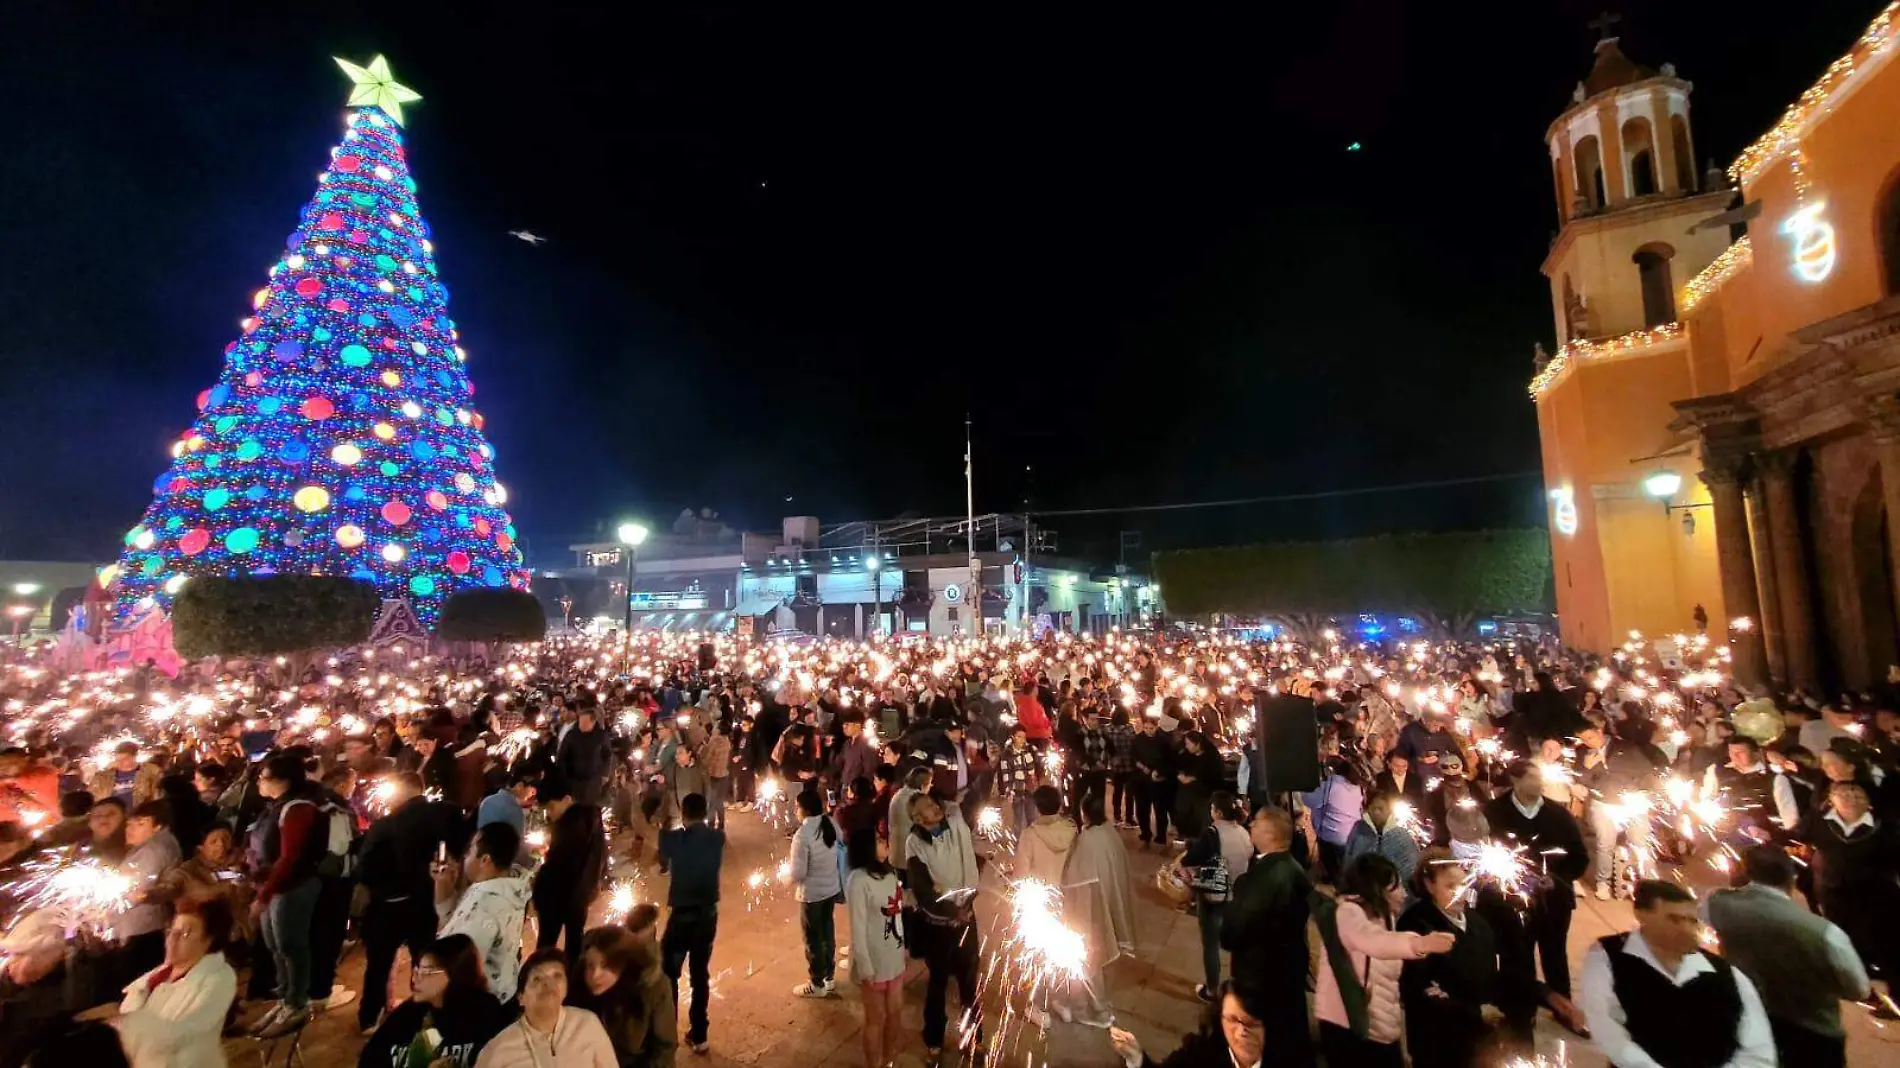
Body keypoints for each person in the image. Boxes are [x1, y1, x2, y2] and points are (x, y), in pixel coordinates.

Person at [1579, 880, 1776, 1068]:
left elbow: (1758, 1049)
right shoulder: (1608, 957)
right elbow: (1608, 1031)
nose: (1686, 929)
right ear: (1641, 914)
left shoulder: (1727, 974)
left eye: (1692, 921)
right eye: (1674, 919)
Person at [1705, 847, 1869, 1068]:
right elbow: (1859, 990)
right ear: (1792, 878)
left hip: (1752, 1020)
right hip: (1815, 1034)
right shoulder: (1826, 933)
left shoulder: (1714, 903)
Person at [1312, 854, 1454, 1068]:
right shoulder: (1347, 913)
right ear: (1377, 888)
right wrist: (1419, 944)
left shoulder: (1386, 917)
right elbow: (1373, 941)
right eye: (1396, 887)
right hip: (1350, 1028)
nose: (1404, 894)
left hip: (1380, 1027)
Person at [356, 771, 462, 1032]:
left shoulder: (385, 824)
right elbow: (458, 849)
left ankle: (370, 1016)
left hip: (385, 905)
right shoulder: (444, 814)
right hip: (424, 901)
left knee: (379, 964)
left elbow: (365, 869)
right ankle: (425, 1013)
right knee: (424, 960)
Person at [1483, 760, 1587, 1005]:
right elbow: (1483, 852)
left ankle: (1562, 1005)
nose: (1540, 783)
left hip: (1554, 901)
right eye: (1532, 777)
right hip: (1512, 901)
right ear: (1515, 780)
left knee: (1555, 955)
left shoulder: (1558, 814)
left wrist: (1557, 879)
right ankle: (1521, 1006)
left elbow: (1579, 856)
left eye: (1540, 777)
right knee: (1517, 955)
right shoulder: (1494, 812)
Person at [1220, 806, 1312, 1068]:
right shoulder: (1291, 868)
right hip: (1286, 973)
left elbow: (1237, 927)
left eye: (1256, 822)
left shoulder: (1265, 878)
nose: (1251, 825)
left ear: (1270, 833)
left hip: (1262, 976)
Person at [246, 753, 325, 1039]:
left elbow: (289, 857)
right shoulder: (274, 807)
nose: (259, 781)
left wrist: (264, 893)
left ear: (281, 780)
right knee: (275, 946)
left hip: (292, 887)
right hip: (272, 887)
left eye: (263, 776)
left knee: (291, 945)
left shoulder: (297, 808)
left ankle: (297, 1002)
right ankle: (284, 999)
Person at [111, 898, 237, 1068]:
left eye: (185, 933)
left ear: (209, 941)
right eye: (171, 931)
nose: (172, 939)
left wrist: (117, 1028)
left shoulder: (219, 978)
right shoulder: (155, 977)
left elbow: (181, 1032)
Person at [905, 792, 980, 1067]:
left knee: (969, 982)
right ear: (918, 819)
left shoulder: (956, 824)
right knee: (937, 984)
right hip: (938, 927)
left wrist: (966, 905)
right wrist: (951, 912)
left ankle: (975, 1035)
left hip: (966, 919)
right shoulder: (914, 844)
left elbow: (974, 796)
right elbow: (924, 891)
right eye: (928, 809)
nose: (935, 809)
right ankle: (934, 1041)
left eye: (934, 805)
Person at [358, 934, 508, 1068]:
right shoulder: (407, 1016)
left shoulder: (487, 1016)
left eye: (427, 972)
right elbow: (370, 1060)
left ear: (456, 973)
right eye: (417, 970)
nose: (415, 979)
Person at [437, 822, 532, 1003]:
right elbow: (450, 919)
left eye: (470, 851)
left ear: (485, 860)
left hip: (478, 1004)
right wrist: (443, 883)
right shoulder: (508, 888)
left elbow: (455, 959)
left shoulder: (486, 905)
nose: (464, 857)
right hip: (503, 993)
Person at [1063, 792, 1136, 1027]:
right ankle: (1096, 1006)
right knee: (1095, 958)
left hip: (1090, 909)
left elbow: (1075, 879)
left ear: (1084, 813)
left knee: (1086, 959)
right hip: (1106, 901)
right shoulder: (1109, 833)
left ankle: (1088, 1009)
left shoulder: (1087, 839)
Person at [658, 793, 723, 1055]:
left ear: (683, 814)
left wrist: (664, 821)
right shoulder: (717, 838)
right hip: (707, 916)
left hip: (682, 918)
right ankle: (700, 1034)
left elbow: (660, 850)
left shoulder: (675, 839)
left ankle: (666, 1031)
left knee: (668, 973)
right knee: (700, 974)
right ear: (705, 812)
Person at [474, 950, 617, 1068]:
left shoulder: (587, 1024)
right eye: (537, 979)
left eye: (557, 976)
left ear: (566, 989)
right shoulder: (497, 1050)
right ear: (521, 997)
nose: (548, 983)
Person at [1176, 790, 1251, 1000]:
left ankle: (1212, 989)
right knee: (1235, 945)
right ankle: (1237, 986)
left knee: (1210, 945)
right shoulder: (1243, 833)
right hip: (1236, 897)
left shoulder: (1212, 834)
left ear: (1217, 812)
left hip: (1214, 896)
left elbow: (1189, 860)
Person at [573, 926, 677, 1068]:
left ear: (624, 963)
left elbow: (664, 1048)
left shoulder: (652, 988)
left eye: (605, 965)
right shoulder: (578, 985)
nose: (595, 975)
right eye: (590, 965)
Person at [845, 829, 906, 1068]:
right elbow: (857, 928)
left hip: (894, 956)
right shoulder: (858, 880)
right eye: (879, 841)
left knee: (896, 1013)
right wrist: (865, 966)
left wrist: (903, 946)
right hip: (873, 960)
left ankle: (889, 1059)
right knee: (875, 1019)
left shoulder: (890, 874)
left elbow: (896, 913)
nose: (885, 843)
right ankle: (874, 1064)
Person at [1107, 979, 1265, 1068]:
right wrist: (1137, 1059)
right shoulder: (1202, 1052)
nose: (1240, 1032)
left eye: (1251, 1023)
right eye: (1232, 1020)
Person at [535, 778, 607, 969]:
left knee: (546, 945)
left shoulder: (569, 826)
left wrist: (537, 888)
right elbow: (601, 857)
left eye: (551, 807)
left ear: (567, 799)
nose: (549, 814)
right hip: (580, 897)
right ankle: (571, 982)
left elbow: (556, 866)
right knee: (574, 944)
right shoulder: (593, 819)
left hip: (557, 898)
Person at [114, 799, 183, 983]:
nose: (131, 829)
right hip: (144, 925)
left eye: (141, 824)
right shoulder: (154, 846)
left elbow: (137, 889)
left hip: (141, 926)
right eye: (129, 824)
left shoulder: (153, 850)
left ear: (157, 826)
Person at [789, 788, 844, 998]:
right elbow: (841, 839)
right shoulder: (829, 823)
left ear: (805, 809)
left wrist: (788, 878)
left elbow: (799, 872)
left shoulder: (802, 835)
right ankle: (829, 977)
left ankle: (816, 983)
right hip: (830, 889)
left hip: (811, 895)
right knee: (827, 932)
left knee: (813, 938)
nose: (795, 810)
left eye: (797, 807)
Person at [1302, 759, 1364, 883]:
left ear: (1330, 770)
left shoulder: (1331, 786)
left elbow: (1308, 800)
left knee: (1333, 875)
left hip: (1332, 838)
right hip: (1352, 837)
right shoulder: (1356, 786)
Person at [1341, 791, 1420, 888]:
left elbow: (1410, 868)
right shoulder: (1359, 829)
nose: (1376, 813)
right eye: (1373, 808)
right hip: (1363, 889)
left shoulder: (1401, 836)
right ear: (1368, 809)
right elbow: (1349, 859)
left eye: (1381, 809)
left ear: (1389, 810)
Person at [1016, 784, 1075, 886]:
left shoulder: (1029, 835)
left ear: (1037, 809)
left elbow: (1021, 874)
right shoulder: (1072, 830)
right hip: (1068, 894)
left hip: (1040, 895)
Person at [1129, 715, 1173, 849]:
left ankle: (1161, 838)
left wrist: (1158, 772)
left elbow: (1169, 761)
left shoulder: (1164, 741)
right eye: (1146, 728)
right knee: (1142, 809)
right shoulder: (1138, 739)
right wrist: (1141, 766)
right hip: (1141, 780)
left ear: (1156, 727)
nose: (1148, 731)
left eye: (1151, 728)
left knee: (1160, 810)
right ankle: (1145, 835)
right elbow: (1133, 757)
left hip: (1157, 781)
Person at [557, 708, 614, 807]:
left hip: (593, 779)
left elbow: (608, 755)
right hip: (574, 779)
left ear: (593, 722)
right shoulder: (571, 735)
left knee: (590, 806)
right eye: (580, 722)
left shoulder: (601, 735)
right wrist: (562, 774)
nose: (581, 725)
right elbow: (562, 756)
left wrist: (605, 774)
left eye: (585, 722)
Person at [91, 743, 160, 809]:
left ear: (134, 757)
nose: (120, 762)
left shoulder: (150, 771)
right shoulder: (103, 776)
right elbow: (92, 796)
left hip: (139, 815)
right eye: (118, 759)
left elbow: (157, 794)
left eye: (125, 759)